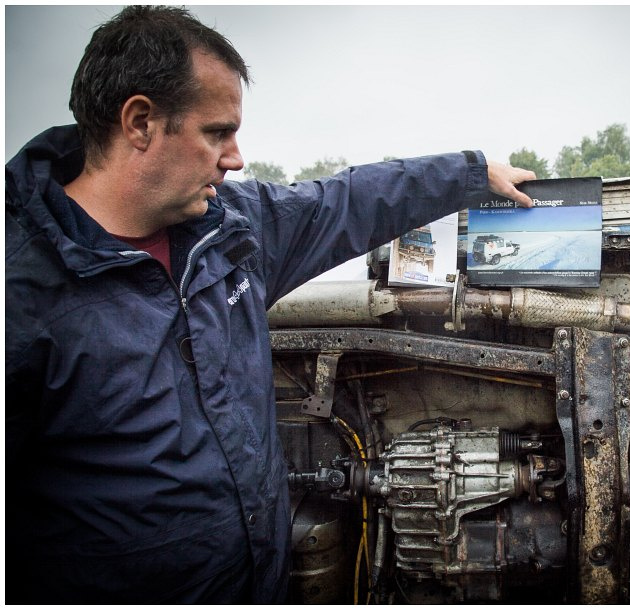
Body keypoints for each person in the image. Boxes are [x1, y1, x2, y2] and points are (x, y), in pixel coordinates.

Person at [5, 6, 535, 603]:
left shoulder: (233, 229)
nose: (234, 157)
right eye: (217, 133)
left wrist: (471, 173)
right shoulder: (19, 294)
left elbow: (348, 200)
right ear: (140, 122)